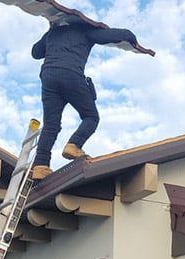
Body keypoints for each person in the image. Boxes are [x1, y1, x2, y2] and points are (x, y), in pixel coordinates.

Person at [29, 21, 140, 180]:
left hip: (49, 77)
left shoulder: (53, 33)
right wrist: (131, 37)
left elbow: (35, 52)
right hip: (71, 75)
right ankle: (74, 145)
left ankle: (40, 165)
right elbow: (118, 35)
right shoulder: (85, 30)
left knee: (51, 125)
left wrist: (49, 30)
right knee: (91, 117)